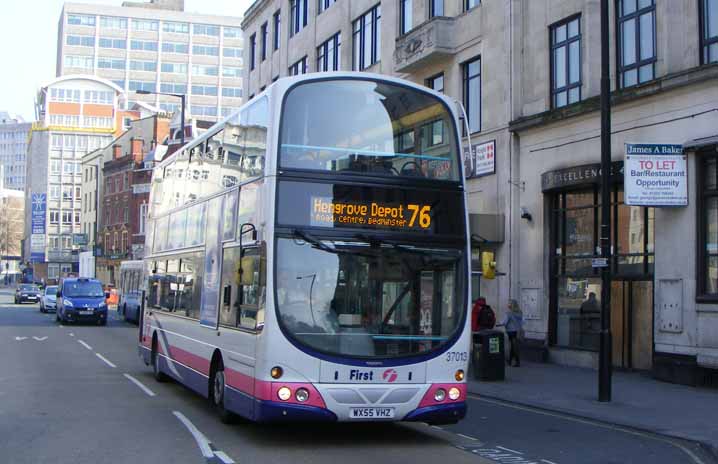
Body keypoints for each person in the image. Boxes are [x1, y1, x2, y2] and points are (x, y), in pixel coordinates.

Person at [498, 299, 524, 367]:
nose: (508, 304)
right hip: (517, 331)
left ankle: (515, 361)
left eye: (509, 303)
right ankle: (511, 360)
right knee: (514, 346)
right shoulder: (520, 312)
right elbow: (522, 322)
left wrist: (498, 324)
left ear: (511, 305)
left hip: (511, 331)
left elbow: (505, 322)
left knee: (513, 346)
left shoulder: (509, 313)